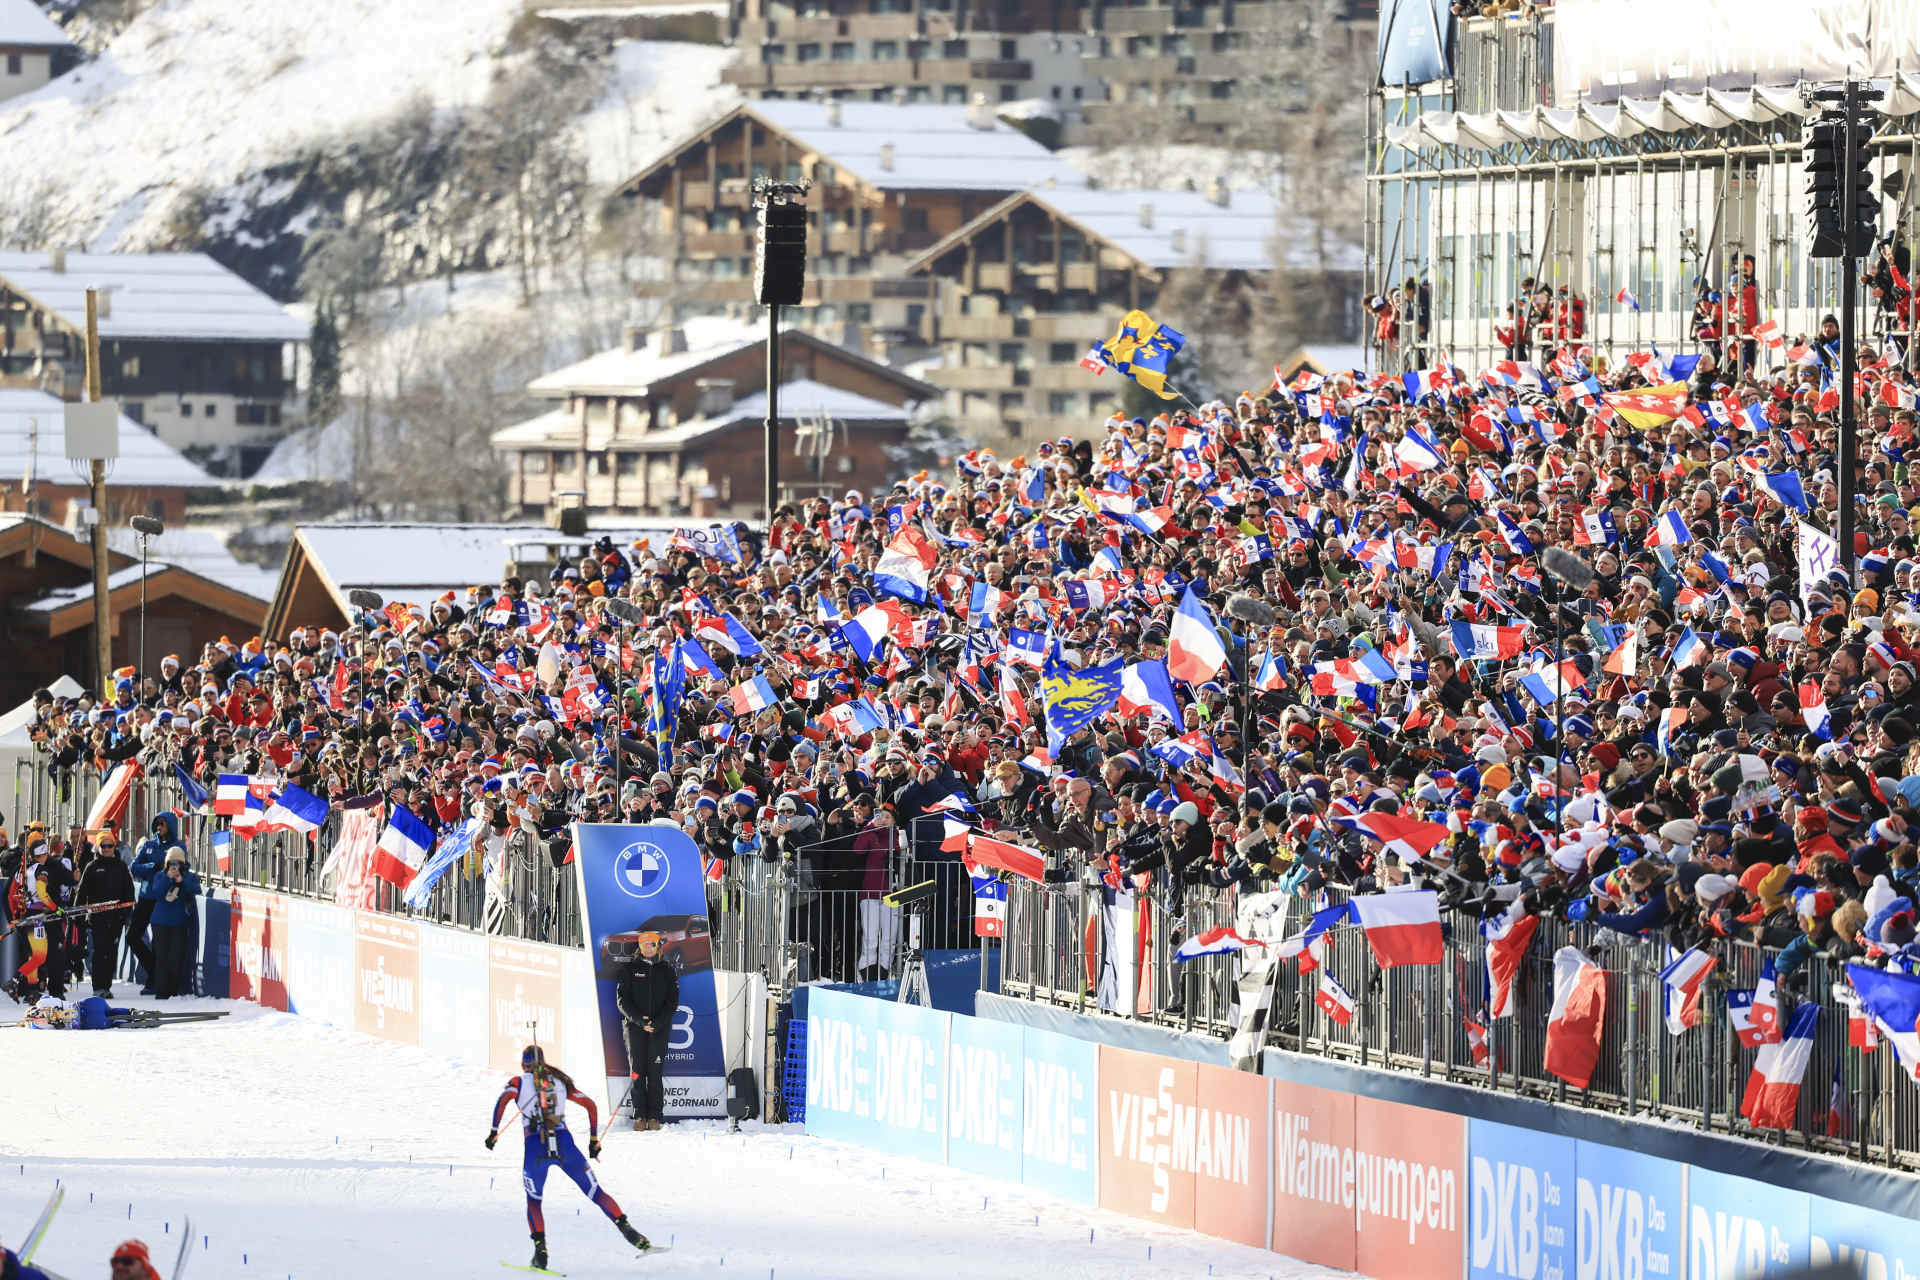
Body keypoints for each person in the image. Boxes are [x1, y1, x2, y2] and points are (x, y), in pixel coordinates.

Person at [485, 1045, 651, 1270]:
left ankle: (540, 1252)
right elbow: (590, 1105)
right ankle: (627, 1229)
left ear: (523, 1064)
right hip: (565, 1144)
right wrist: (593, 1140)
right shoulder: (559, 1080)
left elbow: (504, 1099)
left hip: (535, 1147)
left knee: (534, 1200)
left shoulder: (519, 1081)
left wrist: (494, 1132)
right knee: (596, 1192)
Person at [615, 930, 679, 1131]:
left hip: (659, 1029)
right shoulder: (629, 969)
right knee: (637, 1072)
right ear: (640, 948)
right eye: (644, 945)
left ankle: (655, 1116)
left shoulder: (667, 970)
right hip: (635, 1028)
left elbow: (672, 1003)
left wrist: (657, 1023)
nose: (648, 949)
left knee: (655, 1073)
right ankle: (640, 1115)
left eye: (652, 945)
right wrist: (640, 1021)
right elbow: (622, 1001)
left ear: (658, 946)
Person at [127, 814, 183, 992]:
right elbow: (134, 867)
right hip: (145, 898)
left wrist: (161, 871)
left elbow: (178, 870)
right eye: (157, 824)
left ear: (170, 826)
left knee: (160, 942)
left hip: (164, 900)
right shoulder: (149, 845)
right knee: (132, 936)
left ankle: (156, 981)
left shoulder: (177, 847)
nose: (159, 827)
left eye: (162, 824)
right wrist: (153, 867)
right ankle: (154, 971)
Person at [75, 831, 135, 997]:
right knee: (100, 951)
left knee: (111, 951)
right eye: (103, 845)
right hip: (97, 918)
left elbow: (129, 892)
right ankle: (98, 987)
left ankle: (106, 986)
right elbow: (82, 893)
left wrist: (124, 914)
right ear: (99, 847)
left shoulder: (121, 866)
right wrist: (79, 916)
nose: (107, 848)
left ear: (114, 847)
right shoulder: (92, 867)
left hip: (116, 918)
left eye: (110, 845)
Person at [143, 849, 200, 999]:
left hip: (179, 923)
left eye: (178, 863)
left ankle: (173, 990)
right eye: (171, 863)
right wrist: (168, 878)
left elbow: (196, 889)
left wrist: (181, 881)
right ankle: (162, 992)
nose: (175, 866)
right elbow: (156, 892)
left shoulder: (189, 876)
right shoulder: (160, 875)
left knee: (176, 957)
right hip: (160, 922)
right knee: (161, 957)